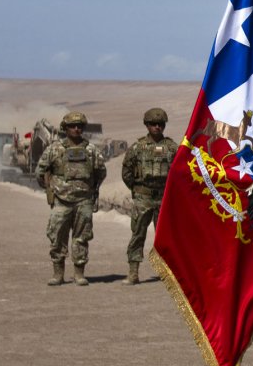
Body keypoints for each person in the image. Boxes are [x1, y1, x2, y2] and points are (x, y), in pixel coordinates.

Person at [35, 111, 107, 286]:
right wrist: (52, 189)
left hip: (83, 201)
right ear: (65, 128)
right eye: (72, 126)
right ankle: (58, 274)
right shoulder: (54, 149)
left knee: (81, 238)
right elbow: (41, 171)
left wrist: (89, 189)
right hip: (61, 201)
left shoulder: (91, 150)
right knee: (57, 237)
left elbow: (101, 172)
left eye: (79, 126)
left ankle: (79, 274)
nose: (76, 129)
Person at [121, 108, 179, 285]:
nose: (157, 127)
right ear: (146, 125)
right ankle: (133, 272)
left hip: (164, 198)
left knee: (165, 237)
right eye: (153, 124)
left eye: (160, 124)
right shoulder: (137, 147)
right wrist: (138, 190)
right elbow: (127, 171)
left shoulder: (172, 148)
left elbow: (180, 171)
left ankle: (167, 273)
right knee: (138, 234)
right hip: (143, 198)